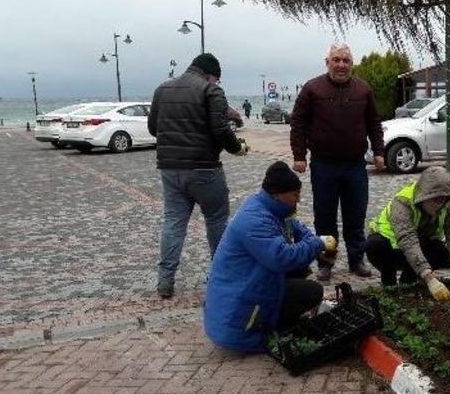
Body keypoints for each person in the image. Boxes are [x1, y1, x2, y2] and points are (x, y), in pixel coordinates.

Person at [203, 161, 337, 352]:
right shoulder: (255, 220)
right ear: (278, 194)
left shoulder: (270, 207)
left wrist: (316, 244)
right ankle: (271, 330)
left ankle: (279, 321)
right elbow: (282, 258)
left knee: (301, 267)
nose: (299, 200)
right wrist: (318, 244)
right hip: (237, 320)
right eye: (295, 195)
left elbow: (298, 227)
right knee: (312, 291)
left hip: (247, 288)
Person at [148, 53, 249, 298]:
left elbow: (153, 128)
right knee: (216, 220)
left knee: (173, 223)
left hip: (170, 169)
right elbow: (221, 129)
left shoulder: (162, 89)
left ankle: (165, 282)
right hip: (205, 169)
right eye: (217, 79)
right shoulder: (211, 91)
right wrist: (237, 148)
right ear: (211, 75)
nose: (217, 83)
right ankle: (223, 277)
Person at [290, 43, 386, 282]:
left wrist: (379, 151)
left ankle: (357, 259)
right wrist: (299, 155)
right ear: (327, 62)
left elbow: (374, 123)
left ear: (352, 64)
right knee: (324, 217)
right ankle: (326, 262)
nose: (341, 65)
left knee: (356, 215)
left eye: (346, 60)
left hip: (355, 166)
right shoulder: (312, 89)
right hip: (323, 165)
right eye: (336, 60)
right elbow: (298, 123)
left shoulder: (363, 90)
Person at [366, 166, 450, 302]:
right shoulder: (402, 202)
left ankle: (409, 282)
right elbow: (408, 240)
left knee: (441, 252)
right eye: (435, 200)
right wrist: (429, 279)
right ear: (424, 196)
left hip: (417, 246)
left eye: (443, 199)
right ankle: (389, 287)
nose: (439, 205)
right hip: (391, 249)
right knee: (376, 245)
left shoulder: (446, 203)